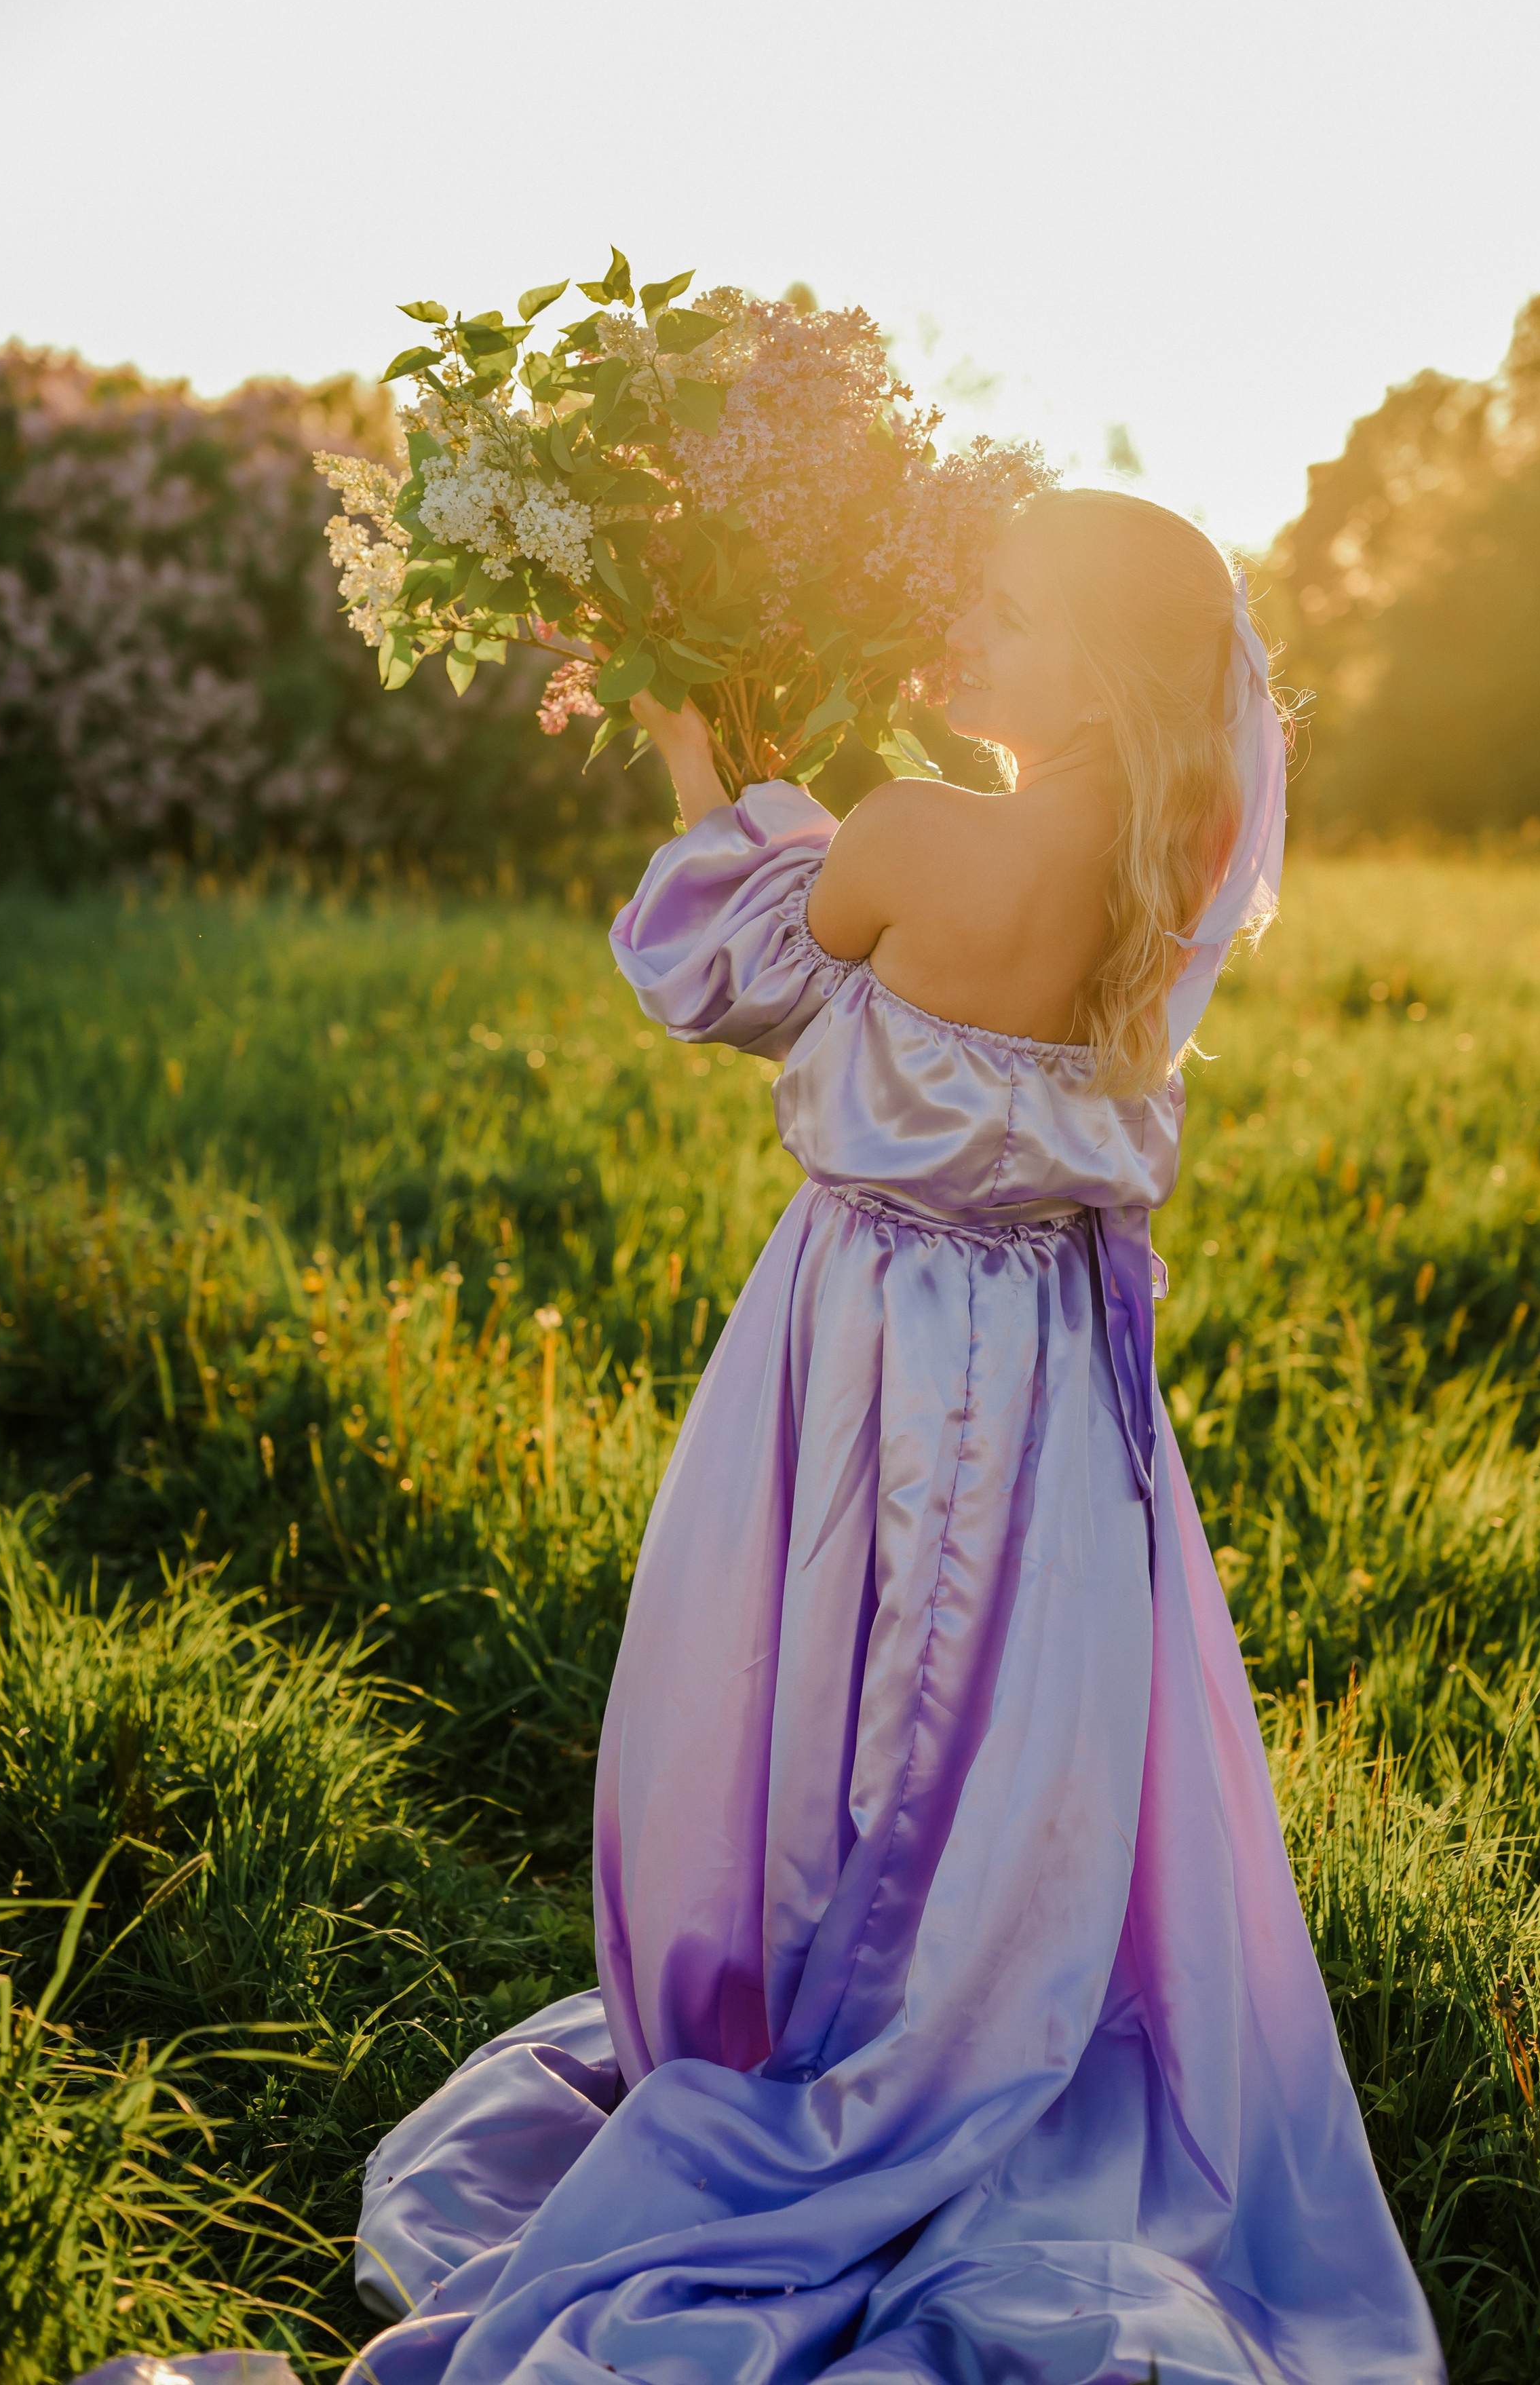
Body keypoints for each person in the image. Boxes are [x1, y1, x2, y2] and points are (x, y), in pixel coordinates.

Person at [348, 492, 1444, 2384]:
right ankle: (963, 2006)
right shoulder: (1162, 874)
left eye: (1005, 619)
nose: (957, 650)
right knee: (1006, 1733)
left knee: (834, 1682)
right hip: (1045, 1370)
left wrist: (698, 740)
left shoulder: (924, 832)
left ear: (1098, 668)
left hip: (866, 1336)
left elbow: (736, 974)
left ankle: (814, 2026)